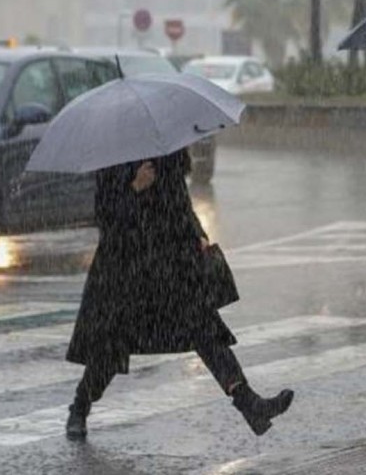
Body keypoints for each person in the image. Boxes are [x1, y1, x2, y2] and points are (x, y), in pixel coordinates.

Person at [64, 149, 293, 439]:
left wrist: (197, 232)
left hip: (170, 266)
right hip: (125, 273)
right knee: (110, 348)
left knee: (205, 331)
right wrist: (135, 188)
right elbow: (107, 222)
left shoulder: (165, 150)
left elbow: (180, 203)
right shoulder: (113, 157)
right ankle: (80, 407)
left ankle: (250, 404)